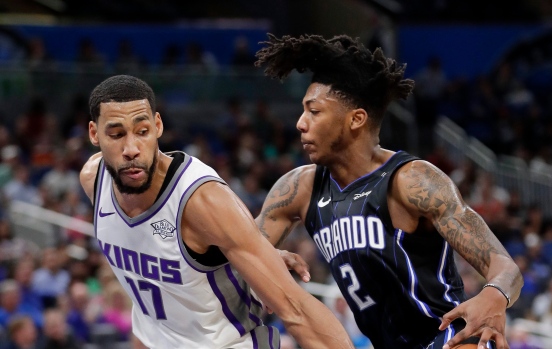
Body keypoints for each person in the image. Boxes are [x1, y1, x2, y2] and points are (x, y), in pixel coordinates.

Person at [254, 34, 524, 349]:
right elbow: (236, 249)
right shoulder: (298, 188)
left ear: (356, 119)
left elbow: (505, 268)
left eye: (314, 112)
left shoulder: (411, 181)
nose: (301, 123)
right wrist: (261, 257)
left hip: (448, 337)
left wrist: (495, 294)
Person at [79, 75, 354, 349]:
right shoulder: (94, 179)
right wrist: (229, 259)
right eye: (116, 135)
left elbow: (296, 309)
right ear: (94, 133)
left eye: (142, 131)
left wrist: (258, 256)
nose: (131, 149)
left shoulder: (202, 200)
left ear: (158, 126)